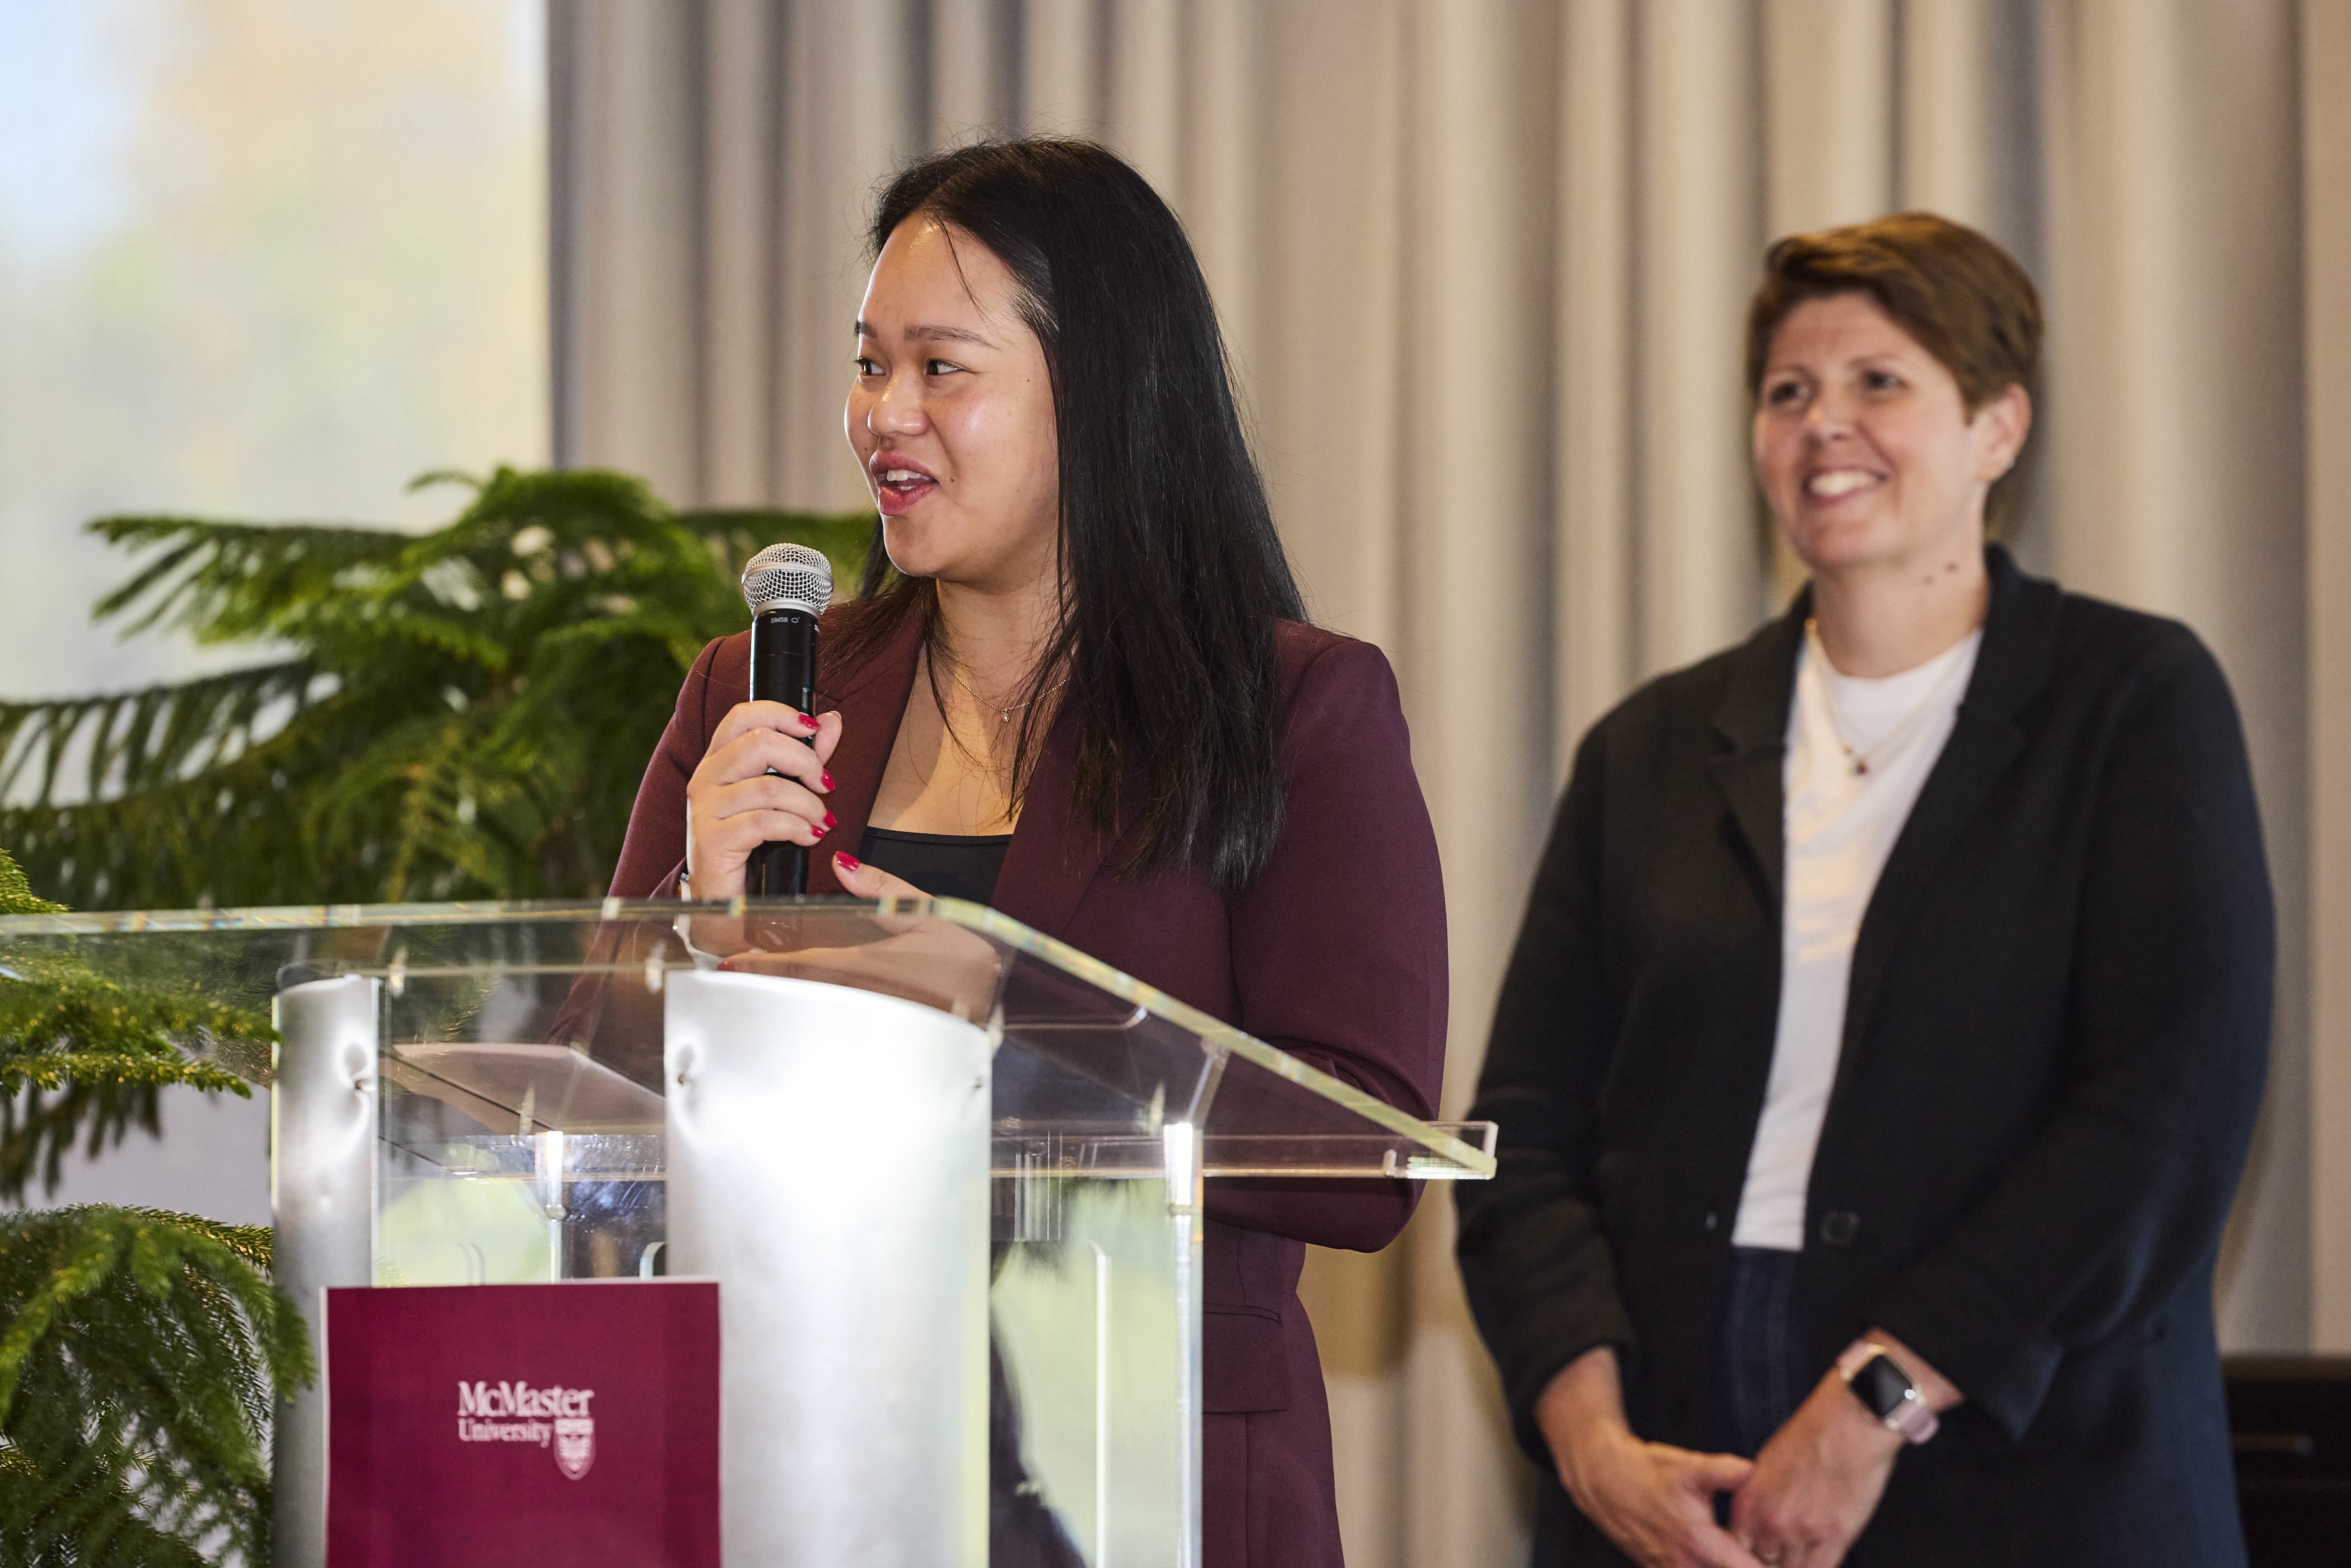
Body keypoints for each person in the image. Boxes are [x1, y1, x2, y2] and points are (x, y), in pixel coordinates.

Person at [605, 138, 1448, 1567]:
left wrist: (998, 1006)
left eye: (942, 368)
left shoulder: (1296, 707)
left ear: (1104, 391)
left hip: (1148, 1473)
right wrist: (692, 914)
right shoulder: (750, 697)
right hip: (807, 1456)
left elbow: (1361, 1148)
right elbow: (579, 1111)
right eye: (868, 364)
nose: (884, 415)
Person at [1455, 212, 2273, 1568]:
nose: (1823, 422)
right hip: (1673, 1451)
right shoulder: (1650, 747)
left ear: (1998, 428)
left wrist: (1883, 1391)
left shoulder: (2134, 701)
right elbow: (1525, 1130)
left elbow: (2167, 1109)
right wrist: (1591, 1444)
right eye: (1788, 392)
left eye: (1879, 382)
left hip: (2012, 1440)